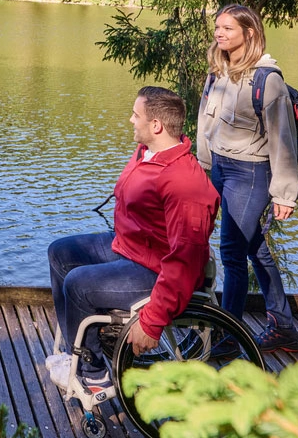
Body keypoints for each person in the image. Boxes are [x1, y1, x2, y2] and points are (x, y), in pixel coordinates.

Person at [46, 86, 220, 393]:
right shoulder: (148, 153)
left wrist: (152, 321)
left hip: (157, 270)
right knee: (61, 253)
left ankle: (93, 372)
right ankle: (79, 345)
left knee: (77, 283)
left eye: (135, 115)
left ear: (156, 125)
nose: (130, 120)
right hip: (131, 247)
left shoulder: (185, 183)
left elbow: (185, 261)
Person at [196, 3, 298, 352]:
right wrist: (204, 164)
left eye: (228, 28)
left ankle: (228, 337)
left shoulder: (267, 80)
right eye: (217, 27)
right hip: (222, 169)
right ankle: (283, 325)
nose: (219, 33)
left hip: (251, 172)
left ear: (250, 33)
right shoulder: (218, 72)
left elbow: (283, 139)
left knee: (231, 252)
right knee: (252, 245)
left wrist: (285, 193)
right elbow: (205, 122)